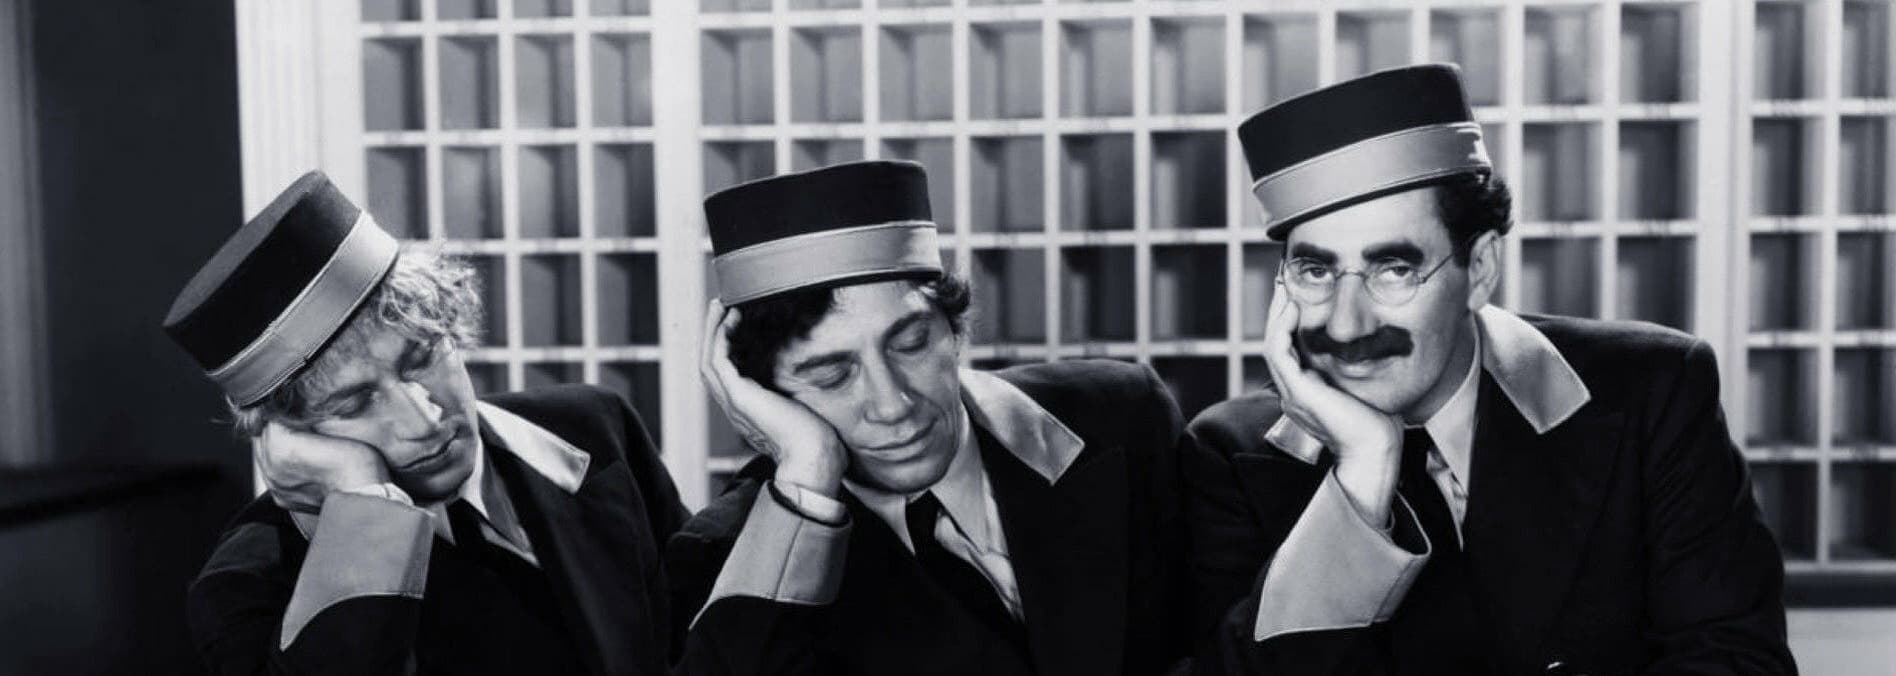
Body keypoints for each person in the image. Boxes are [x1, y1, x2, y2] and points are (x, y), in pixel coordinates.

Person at [1183, 64, 1796, 675]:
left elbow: (1739, 661)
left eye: (1394, 269)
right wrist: (1361, 481)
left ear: (1479, 269)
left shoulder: (1651, 393)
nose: (1347, 326)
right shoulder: (1230, 456)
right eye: (1316, 271)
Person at [168, 172, 746, 675]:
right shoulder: (248, 581)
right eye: (354, 404)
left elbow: (711, 637)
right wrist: (361, 497)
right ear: (290, 435)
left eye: (421, 357)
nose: (423, 419)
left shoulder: (593, 427)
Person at [668, 160, 1193, 675]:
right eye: (832, 376)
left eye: (912, 343)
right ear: (765, 397)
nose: (893, 405)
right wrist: (810, 469)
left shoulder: (1123, 416)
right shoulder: (731, 553)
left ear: (953, 327)